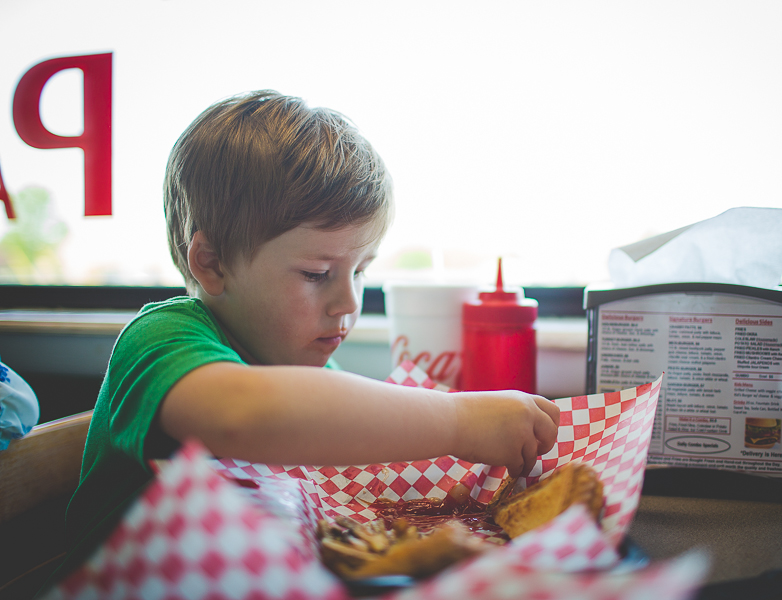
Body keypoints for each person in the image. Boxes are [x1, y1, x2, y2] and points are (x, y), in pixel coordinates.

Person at [52, 90, 559, 585]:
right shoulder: (163, 336)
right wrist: (458, 419)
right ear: (212, 264)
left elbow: (353, 432)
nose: (349, 303)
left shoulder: (308, 368)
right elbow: (243, 416)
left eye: (361, 271)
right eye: (317, 273)